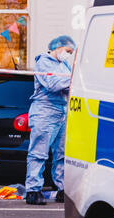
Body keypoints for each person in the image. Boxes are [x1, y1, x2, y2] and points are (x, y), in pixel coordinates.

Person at [25, 35, 76, 205]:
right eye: (67, 51)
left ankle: (62, 188)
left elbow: (69, 84)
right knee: (39, 152)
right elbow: (53, 84)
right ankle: (33, 189)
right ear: (58, 47)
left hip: (61, 112)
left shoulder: (64, 65)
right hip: (44, 113)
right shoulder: (44, 61)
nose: (68, 54)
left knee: (61, 154)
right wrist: (72, 80)